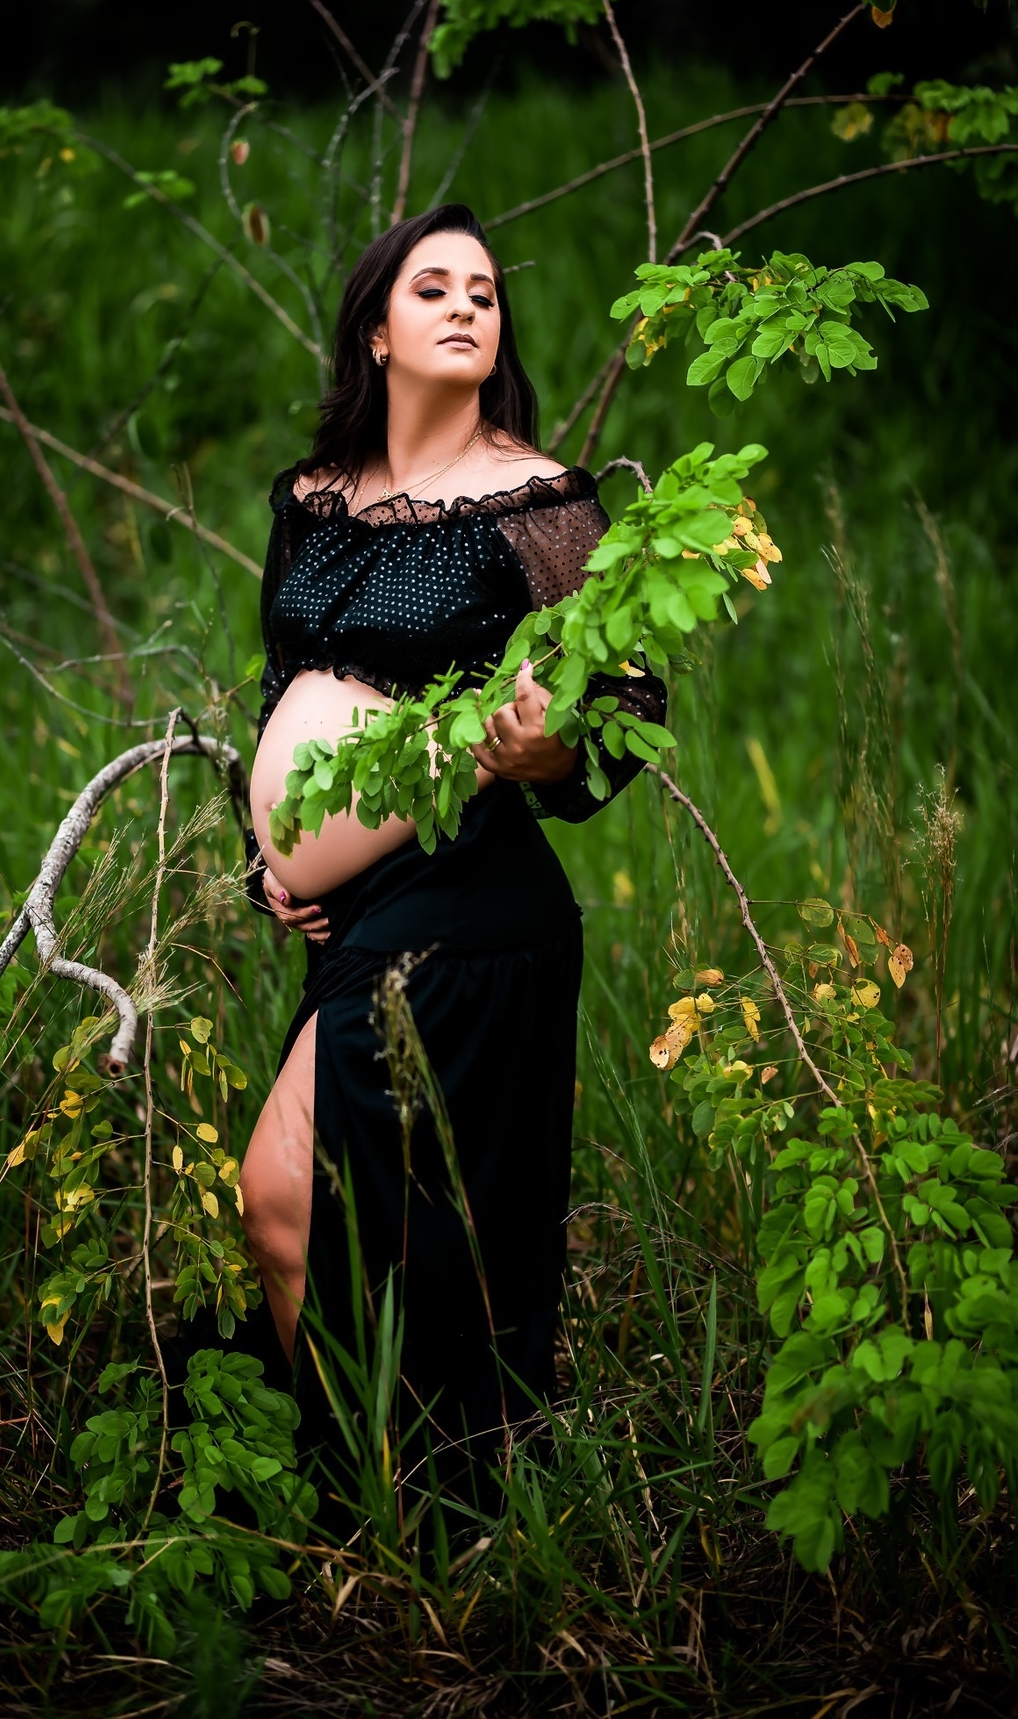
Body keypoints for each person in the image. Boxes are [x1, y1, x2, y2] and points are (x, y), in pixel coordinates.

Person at [236, 203, 667, 1498]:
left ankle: (416, 1504)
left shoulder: (537, 501)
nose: (469, 303)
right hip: (353, 899)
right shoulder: (313, 497)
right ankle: (352, 1480)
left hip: (471, 904)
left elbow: (627, 713)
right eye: (434, 286)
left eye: (485, 289)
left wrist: (543, 750)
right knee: (298, 1209)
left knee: (326, 1205)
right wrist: (272, 856)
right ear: (378, 330)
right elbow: (284, 691)